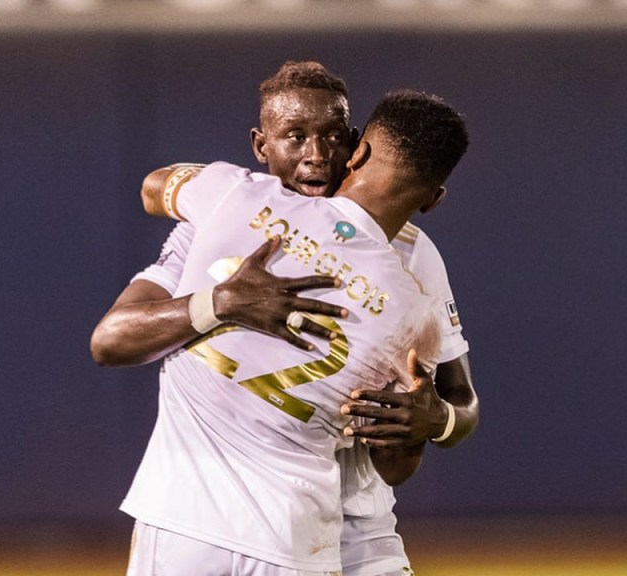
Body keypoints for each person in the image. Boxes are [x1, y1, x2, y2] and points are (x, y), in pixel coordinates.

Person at [91, 61, 479, 575]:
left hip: (353, 525)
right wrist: (220, 301)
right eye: (295, 137)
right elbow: (111, 339)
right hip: (255, 519)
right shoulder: (221, 214)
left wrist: (437, 421)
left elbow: (446, 409)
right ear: (261, 147)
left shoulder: (411, 254)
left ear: (355, 147)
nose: (315, 156)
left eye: (333, 137)